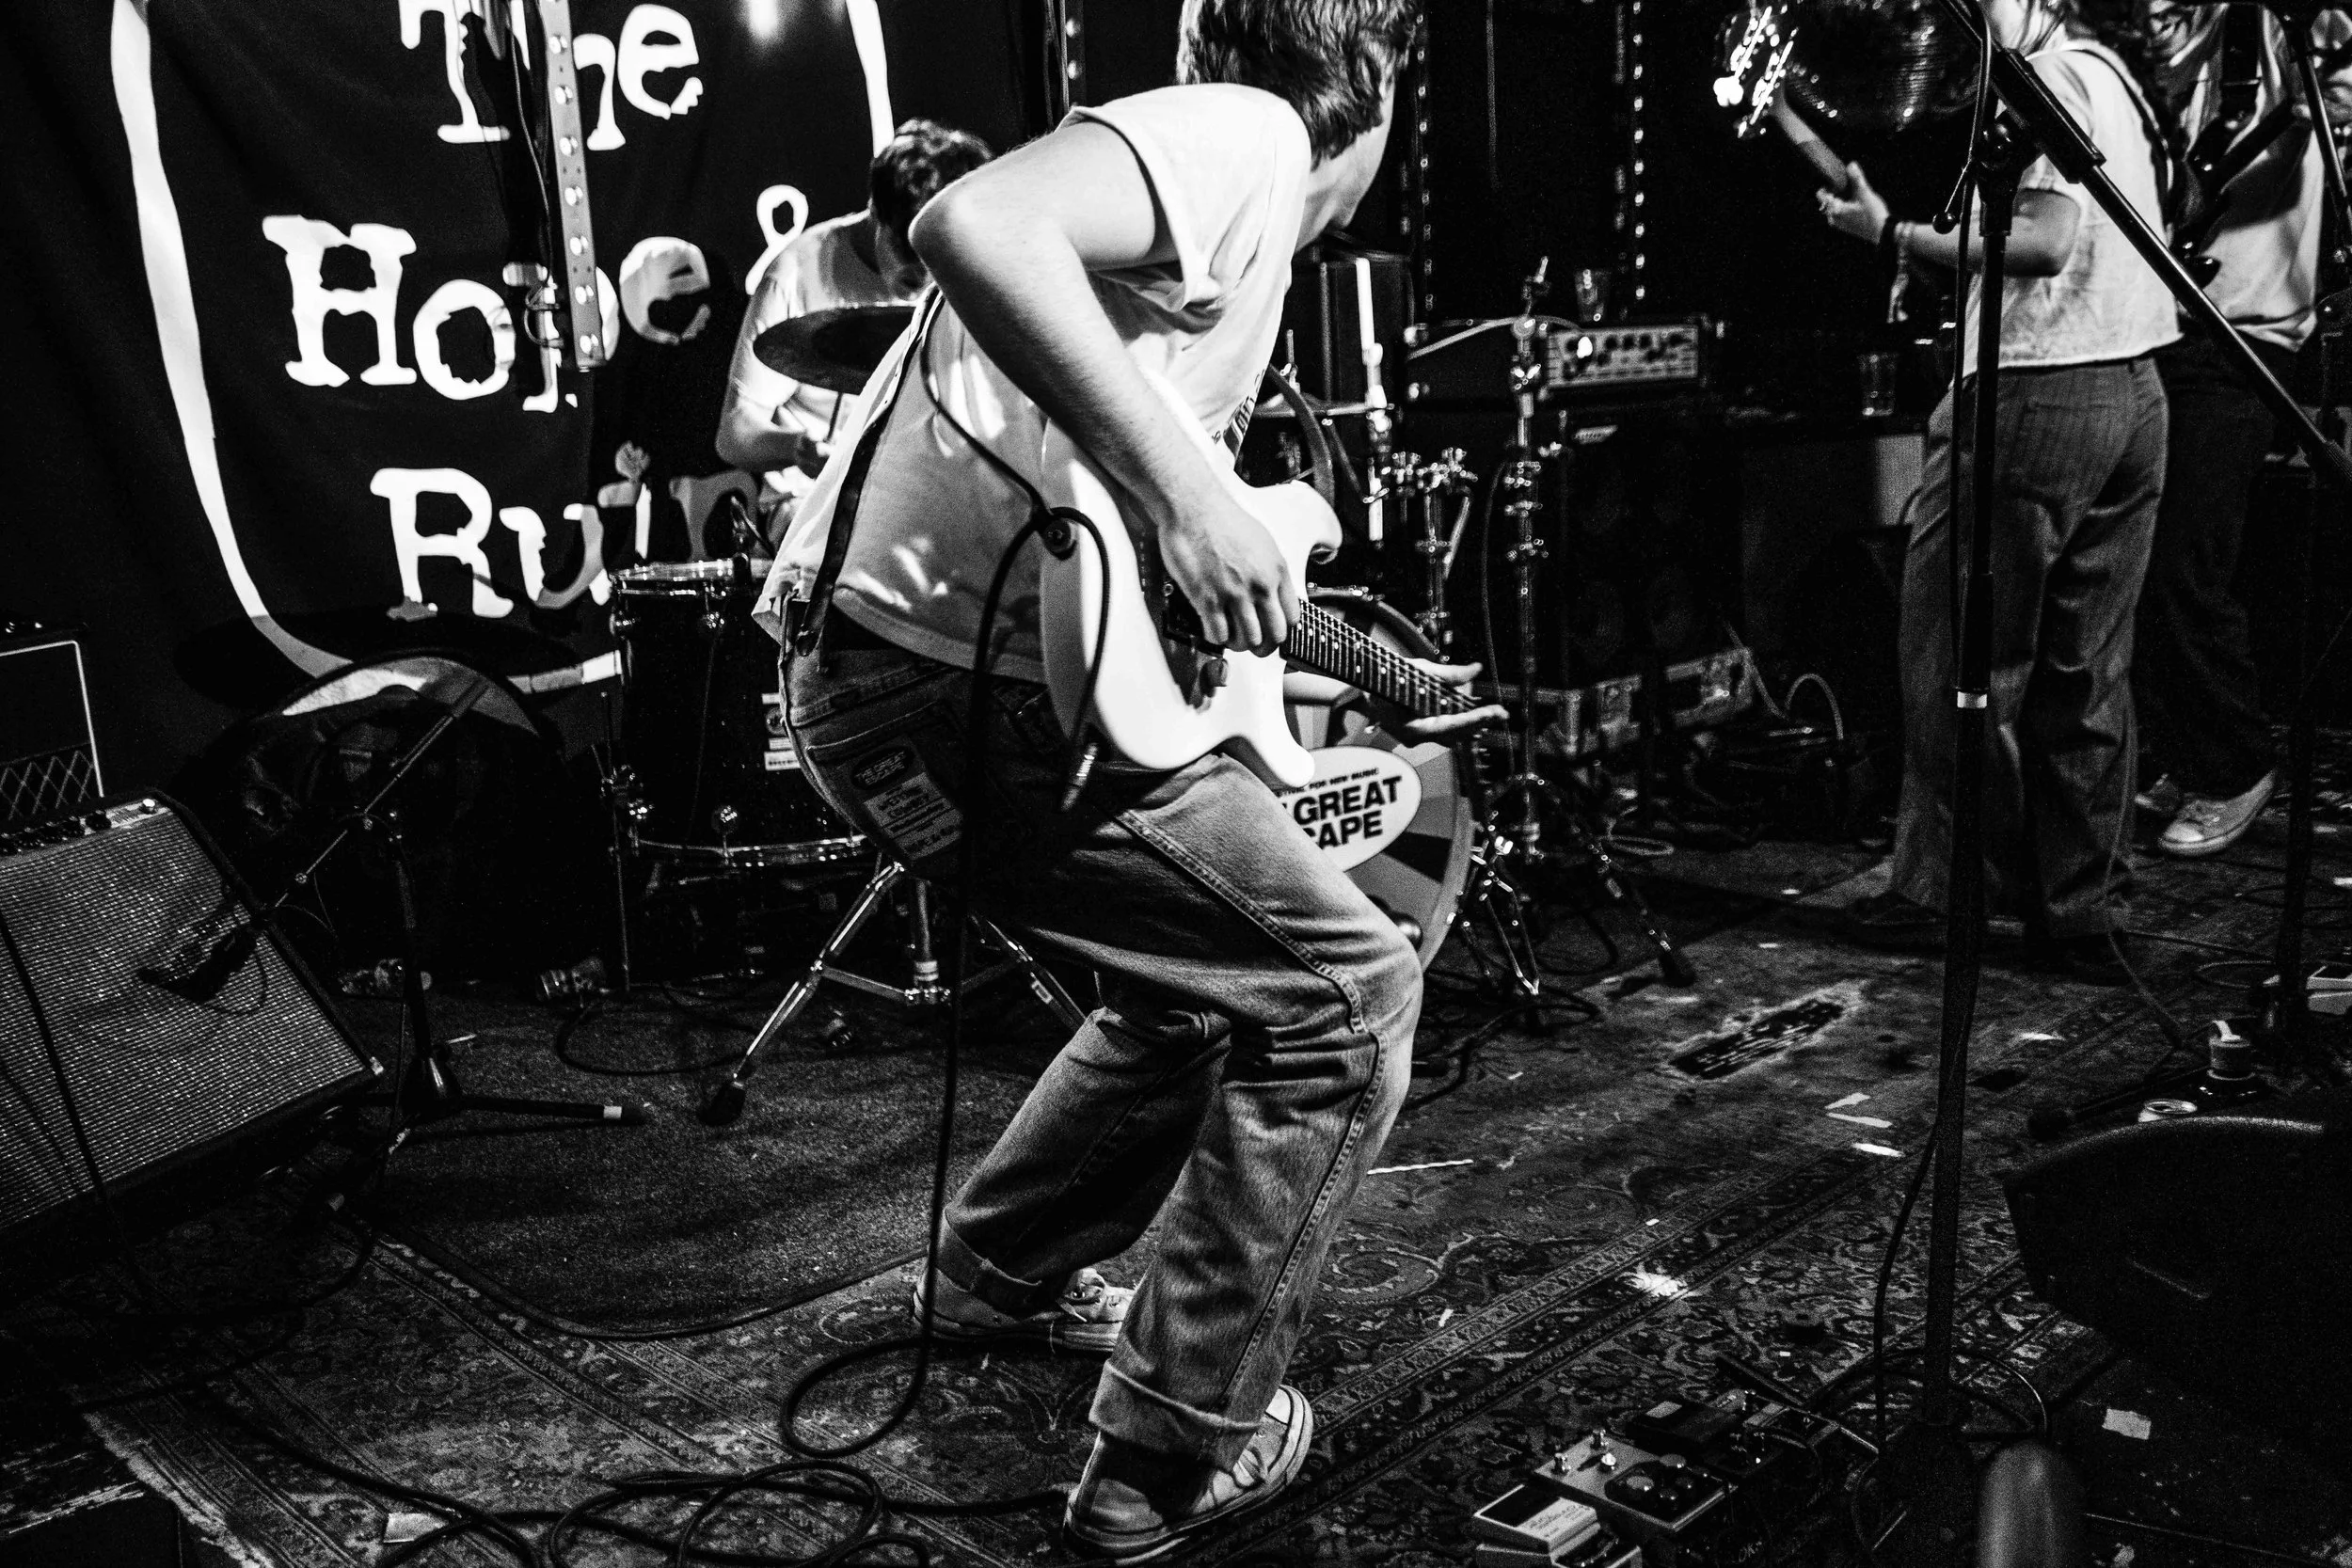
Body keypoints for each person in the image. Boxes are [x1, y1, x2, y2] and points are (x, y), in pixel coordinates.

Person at [754, 2, 1503, 1556]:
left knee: (1192, 983)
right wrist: (1195, 502)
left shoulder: (1186, 264)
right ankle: (1166, 1461)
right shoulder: (1252, 132)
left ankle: (997, 1273)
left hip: (885, 695)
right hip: (955, 689)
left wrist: (1345, 653)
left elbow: (1157, 559)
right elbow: (971, 223)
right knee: (1347, 994)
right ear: (1375, 83)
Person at [1820, 0, 2179, 981]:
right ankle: (2080, 911)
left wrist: (1894, 234)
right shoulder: (2108, 72)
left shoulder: (2048, 79)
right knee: (2085, 673)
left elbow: (2047, 240)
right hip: (2132, 385)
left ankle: (1952, 893)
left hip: (2038, 392)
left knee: (1959, 657)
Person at [2131, 5, 2352, 857]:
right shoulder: (2154, 42)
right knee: (2131, 554)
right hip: (2154, 325)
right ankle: (2184, 746)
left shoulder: (2277, 26)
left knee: (2183, 558)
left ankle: (2233, 765)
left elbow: (2336, 96)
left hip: (2245, 334)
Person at [715, 119, 992, 531]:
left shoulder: (964, 272)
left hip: (922, 492)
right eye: (907, 252)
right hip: (811, 502)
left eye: (936, 256)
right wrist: (797, 448)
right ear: (876, 211)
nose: (925, 276)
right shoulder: (796, 273)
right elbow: (734, 434)